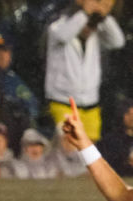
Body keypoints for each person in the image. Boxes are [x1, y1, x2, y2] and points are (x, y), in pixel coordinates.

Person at [45, 0, 125, 143]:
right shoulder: (58, 29)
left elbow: (118, 42)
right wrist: (85, 13)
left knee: (90, 155)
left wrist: (104, 16)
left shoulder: (95, 35)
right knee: (67, 149)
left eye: (92, 26)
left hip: (90, 103)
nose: (89, 29)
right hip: (63, 102)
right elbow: (64, 34)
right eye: (87, 24)